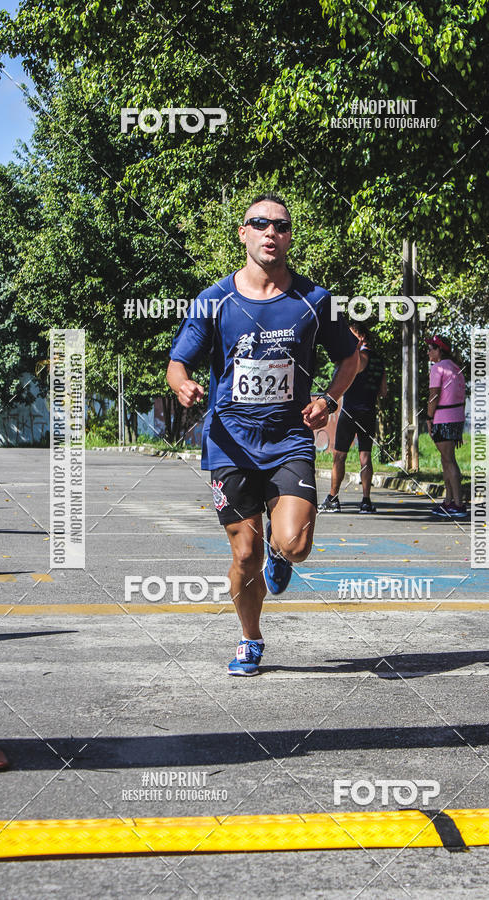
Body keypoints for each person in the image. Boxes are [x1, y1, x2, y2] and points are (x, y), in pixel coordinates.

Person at [166, 192, 360, 676]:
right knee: (245, 555)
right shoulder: (214, 301)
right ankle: (250, 639)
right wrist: (184, 385)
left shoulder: (314, 300)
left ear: (290, 236)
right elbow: (176, 363)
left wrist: (328, 399)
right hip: (230, 443)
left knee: (293, 543)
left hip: (289, 440)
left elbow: (351, 358)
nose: (271, 232)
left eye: (281, 225)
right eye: (260, 223)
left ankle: (283, 554)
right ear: (243, 233)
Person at [318, 323, 387, 513]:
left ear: (362, 337)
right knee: (365, 457)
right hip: (368, 411)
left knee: (339, 456)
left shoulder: (357, 357)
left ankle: (333, 498)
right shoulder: (379, 360)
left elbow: (343, 378)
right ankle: (366, 500)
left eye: (352, 335)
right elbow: (383, 391)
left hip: (350, 412)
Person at [425, 334, 467, 518]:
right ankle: (449, 500)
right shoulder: (456, 369)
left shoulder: (437, 368)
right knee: (446, 459)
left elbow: (433, 395)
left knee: (449, 460)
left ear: (439, 350)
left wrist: (429, 417)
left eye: (431, 348)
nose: (428, 352)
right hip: (456, 416)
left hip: (443, 416)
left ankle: (458, 503)